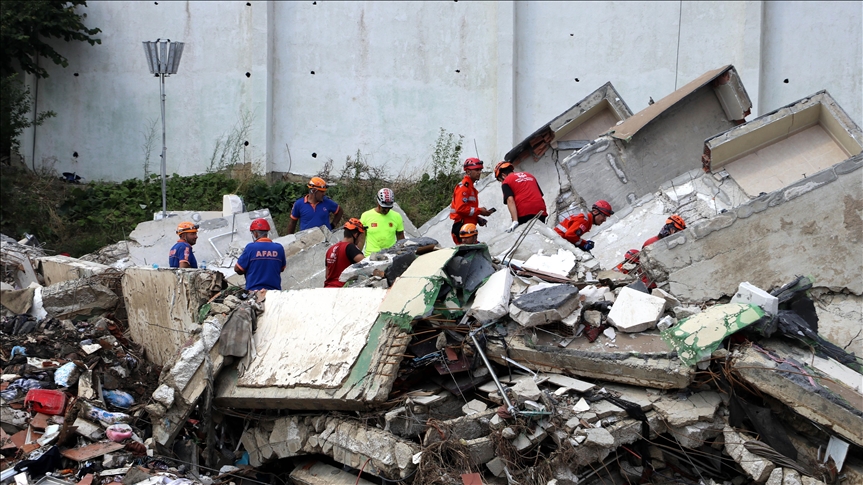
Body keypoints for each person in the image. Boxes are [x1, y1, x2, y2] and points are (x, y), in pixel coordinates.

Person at [494, 161, 548, 233]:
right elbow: (539, 194)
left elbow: (510, 200)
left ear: (503, 175)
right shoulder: (530, 176)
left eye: (500, 180)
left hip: (525, 213)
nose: (501, 182)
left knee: (527, 238)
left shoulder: (506, 181)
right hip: (541, 211)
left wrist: (515, 221)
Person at [234, 218, 286, 291]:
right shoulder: (279, 248)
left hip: (254, 291)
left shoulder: (251, 248)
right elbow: (282, 268)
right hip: (274, 292)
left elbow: (238, 269)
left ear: (255, 233)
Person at [450, 158, 492, 244]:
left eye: (480, 170)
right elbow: (461, 209)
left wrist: (477, 218)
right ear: (468, 171)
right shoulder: (464, 188)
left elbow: (468, 210)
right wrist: (480, 211)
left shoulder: (470, 188)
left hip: (468, 229)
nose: (479, 172)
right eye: (477, 170)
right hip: (463, 229)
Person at [360, 188, 405, 256]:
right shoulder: (366, 216)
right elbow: (361, 239)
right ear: (378, 203)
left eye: (389, 208)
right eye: (384, 208)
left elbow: (401, 239)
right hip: (371, 257)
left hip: (390, 255)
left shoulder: (397, 216)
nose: (386, 210)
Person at [324, 218, 366, 288]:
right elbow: (366, 264)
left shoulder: (330, 249)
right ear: (356, 235)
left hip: (328, 289)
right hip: (342, 290)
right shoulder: (350, 247)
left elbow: (327, 275)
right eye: (360, 236)